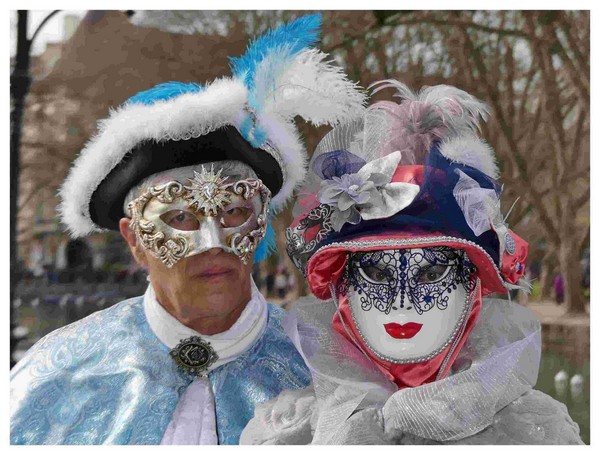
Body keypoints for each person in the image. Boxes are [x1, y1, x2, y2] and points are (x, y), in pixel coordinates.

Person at [10, 14, 366, 445]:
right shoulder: (55, 378)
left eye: (233, 212)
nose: (213, 244)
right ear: (134, 240)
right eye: (180, 218)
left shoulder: (330, 369)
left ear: (261, 220)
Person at [241, 81, 583, 444]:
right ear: (342, 289)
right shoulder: (287, 435)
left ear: (473, 287)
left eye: (432, 273)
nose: (402, 302)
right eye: (375, 273)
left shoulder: (533, 435)